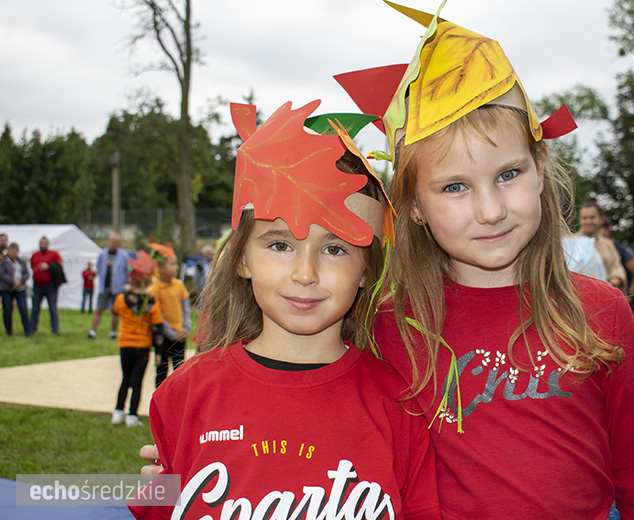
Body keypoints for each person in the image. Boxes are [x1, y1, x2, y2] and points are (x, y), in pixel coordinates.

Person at [142, 3, 634, 517]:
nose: (490, 210)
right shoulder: (383, 326)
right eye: (454, 187)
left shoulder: (601, 315)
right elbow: (302, 412)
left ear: (541, 165)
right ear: (415, 205)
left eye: (509, 174)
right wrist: (184, 463)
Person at [129, 100, 440, 520]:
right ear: (241, 259)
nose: (305, 273)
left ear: (366, 271)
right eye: (280, 245)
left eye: (334, 249)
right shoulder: (186, 395)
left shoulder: (396, 404)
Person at [111, 251, 163, 428]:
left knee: (125, 378)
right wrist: (158, 352)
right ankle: (132, 416)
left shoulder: (120, 299)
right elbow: (157, 328)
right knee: (137, 382)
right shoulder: (152, 303)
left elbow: (115, 311)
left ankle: (118, 412)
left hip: (125, 343)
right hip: (142, 346)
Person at [147, 243, 190, 388]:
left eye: (176, 264)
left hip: (180, 334)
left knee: (180, 370)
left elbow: (186, 308)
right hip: (166, 337)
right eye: (172, 264)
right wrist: (171, 333)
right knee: (162, 371)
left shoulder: (179, 285)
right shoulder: (155, 290)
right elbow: (158, 316)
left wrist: (185, 327)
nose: (176, 267)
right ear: (161, 268)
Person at [577, 199, 627, 289]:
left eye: (592, 217)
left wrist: (612, 284)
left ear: (601, 219)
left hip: (603, 295)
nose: (588, 221)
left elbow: (617, 270)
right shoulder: (569, 243)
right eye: (584, 218)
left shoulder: (607, 244)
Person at [89, 232, 131, 339]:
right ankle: (92, 331)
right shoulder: (103, 254)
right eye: (112, 240)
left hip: (118, 288)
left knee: (115, 311)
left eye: (116, 241)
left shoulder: (124, 256)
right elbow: (99, 267)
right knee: (99, 309)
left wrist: (126, 283)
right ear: (109, 241)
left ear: (119, 242)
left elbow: (128, 271)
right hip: (105, 286)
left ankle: (113, 332)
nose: (114, 243)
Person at [601, 218, 634, 302]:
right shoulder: (585, 246)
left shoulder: (619, 249)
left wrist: (629, 295)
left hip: (614, 298)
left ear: (608, 230)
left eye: (601, 228)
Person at [30, 236, 63, 335]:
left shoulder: (54, 254)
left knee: (52, 308)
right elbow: (32, 266)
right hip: (37, 286)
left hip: (51, 286)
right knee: (35, 308)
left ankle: (55, 329)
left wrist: (48, 267)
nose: (42, 245)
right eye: (41, 243)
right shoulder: (35, 255)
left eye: (44, 243)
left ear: (48, 244)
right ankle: (32, 329)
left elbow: (60, 266)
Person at [0, 242, 32, 336]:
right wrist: (12, 282)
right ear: (8, 251)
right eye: (11, 250)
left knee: (23, 308)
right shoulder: (4, 262)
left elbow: (26, 273)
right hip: (7, 289)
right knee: (8, 310)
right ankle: (9, 330)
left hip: (20, 288)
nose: (13, 252)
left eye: (15, 250)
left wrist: (20, 282)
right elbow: (2, 274)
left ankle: (27, 330)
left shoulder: (21, 262)